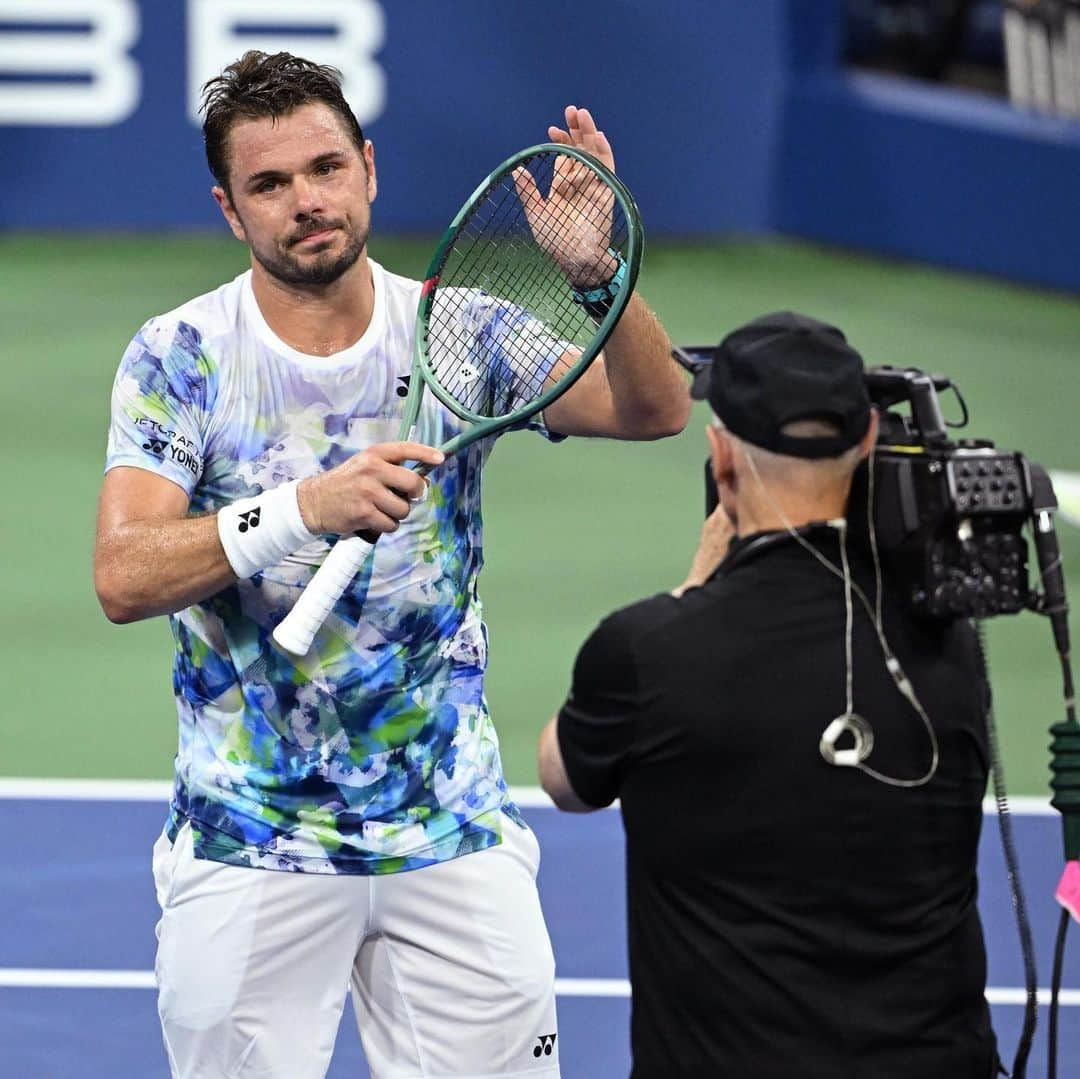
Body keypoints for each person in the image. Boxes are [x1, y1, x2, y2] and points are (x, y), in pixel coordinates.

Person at [93, 50, 689, 1079]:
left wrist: (600, 275)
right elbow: (124, 575)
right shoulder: (181, 356)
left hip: (449, 829)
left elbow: (656, 408)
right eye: (269, 185)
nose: (305, 201)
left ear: (368, 167)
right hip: (251, 842)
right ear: (231, 212)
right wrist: (300, 508)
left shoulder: (458, 330)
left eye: (325, 168)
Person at [538, 311, 999, 1078]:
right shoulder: (947, 647)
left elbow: (564, 776)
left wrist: (690, 590)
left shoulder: (649, 650)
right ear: (870, 440)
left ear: (721, 459)